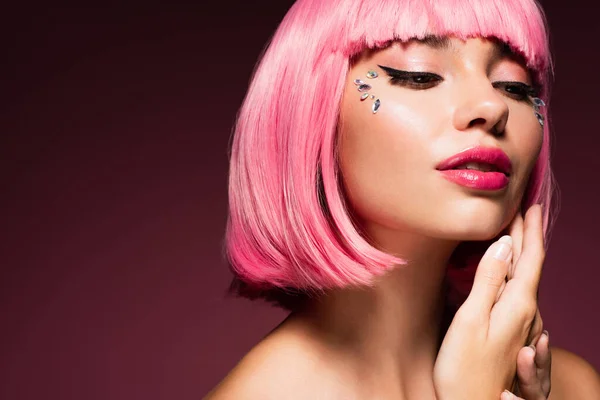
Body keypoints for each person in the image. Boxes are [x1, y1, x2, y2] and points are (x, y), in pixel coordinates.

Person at [207, 0, 600, 398]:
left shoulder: (576, 388)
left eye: (513, 85)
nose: (492, 106)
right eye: (420, 76)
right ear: (309, 110)